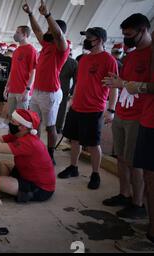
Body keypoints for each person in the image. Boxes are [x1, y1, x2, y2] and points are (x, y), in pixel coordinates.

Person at [102, 30, 154, 253]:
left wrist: (134, 86)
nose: (125, 37)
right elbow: (124, 83)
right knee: (123, 158)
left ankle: (137, 204)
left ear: (142, 31)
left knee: (138, 165)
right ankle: (125, 195)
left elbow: (141, 85)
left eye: (129, 33)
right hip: (130, 114)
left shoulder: (149, 53)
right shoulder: (131, 55)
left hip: (139, 115)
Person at [58, 28, 118, 190]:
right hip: (77, 106)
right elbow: (79, 82)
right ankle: (73, 167)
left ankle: (95, 173)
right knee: (74, 140)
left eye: (89, 38)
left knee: (93, 144)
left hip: (94, 109)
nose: (86, 40)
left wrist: (111, 109)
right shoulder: (83, 59)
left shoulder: (109, 60)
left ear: (99, 40)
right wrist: (72, 99)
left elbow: (114, 87)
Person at [23, 0, 70, 165]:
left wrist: (48, 15)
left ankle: (50, 155)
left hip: (50, 93)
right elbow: (36, 30)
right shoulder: (46, 45)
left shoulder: (62, 48)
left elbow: (58, 35)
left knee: (50, 127)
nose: (48, 31)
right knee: (33, 124)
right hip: (36, 92)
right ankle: (34, 150)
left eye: (51, 29)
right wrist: (30, 14)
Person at [0, 109, 56, 203]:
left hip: (41, 188)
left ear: (22, 127)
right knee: (4, 164)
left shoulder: (28, 142)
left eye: (13, 121)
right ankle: (6, 190)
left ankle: (11, 188)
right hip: (25, 173)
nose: (10, 123)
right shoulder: (19, 134)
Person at [5, 26, 37, 119]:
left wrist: (27, 90)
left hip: (22, 90)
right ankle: (11, 133)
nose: (15, 34)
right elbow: (12, 70)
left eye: (18, 32)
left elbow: (33, 72)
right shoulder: (16, 51)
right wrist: (7, 85)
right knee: (11, 116)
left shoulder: (31, 50)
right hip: (12, 89)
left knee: (21, 119)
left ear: (25, 35)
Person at [56, 50, 78, 133]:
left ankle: (50, 126)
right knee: (61, 109)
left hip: (52, 87)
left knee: (51, 108)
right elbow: (76, 80)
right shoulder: (73, 62)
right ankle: (58, 127)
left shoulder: (54, 59)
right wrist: (72, 91)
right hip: (64, 88)